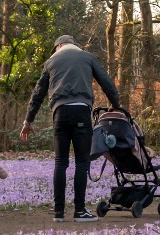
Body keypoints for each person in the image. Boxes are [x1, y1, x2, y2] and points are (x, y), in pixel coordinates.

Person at [20, 35, 122, 222]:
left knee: (61, 162)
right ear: (73, 45)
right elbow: (106, 82)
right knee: (82, 163)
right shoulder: (87, 57)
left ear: (58, 46)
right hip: (81, 112)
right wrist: (116, 104)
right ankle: (80, 211)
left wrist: (28, 121)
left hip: (59, 114)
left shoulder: (51, 62)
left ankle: (59, 212)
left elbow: (38, 94)